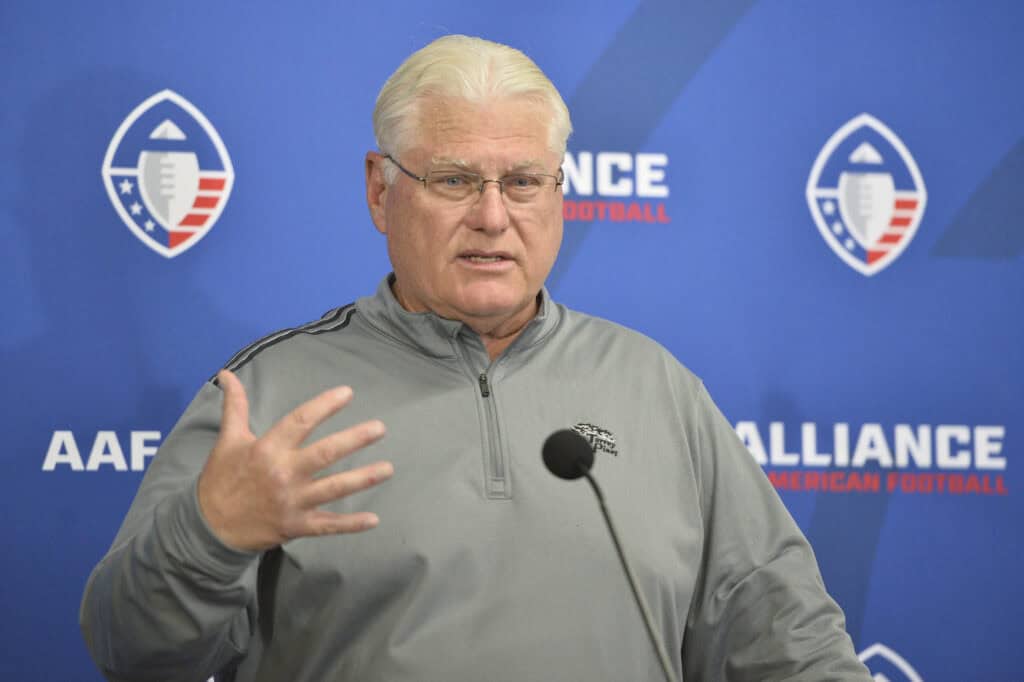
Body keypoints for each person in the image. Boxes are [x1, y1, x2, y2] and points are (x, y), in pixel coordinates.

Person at [80, 35, 872, 682]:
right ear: (380, 192)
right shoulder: (268, 392)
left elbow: (782, 632)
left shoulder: (652, 384)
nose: (493, 217)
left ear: (560, 193)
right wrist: (207, 538)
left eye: (523, 181)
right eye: (454, 180)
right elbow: (132, 653)